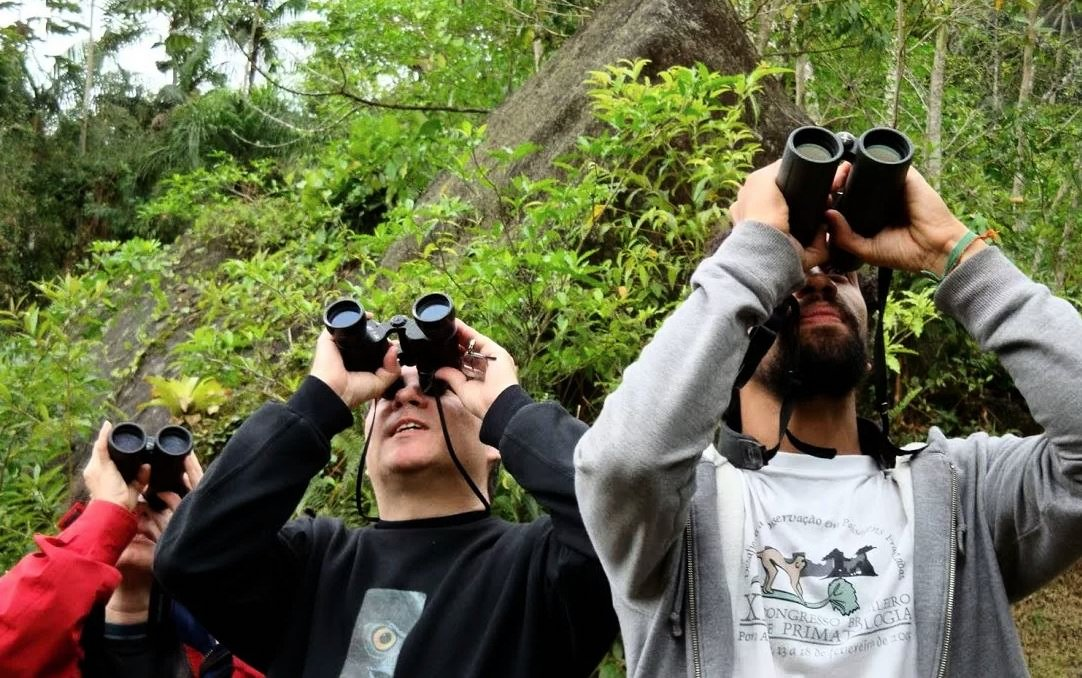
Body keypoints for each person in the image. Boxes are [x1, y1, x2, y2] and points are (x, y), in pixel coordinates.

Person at [573, 159, 1082, 677]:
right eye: (787, 277)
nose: (818, 283)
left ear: (868, 353)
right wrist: (754, 255)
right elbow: (622, 464)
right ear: (726, 345)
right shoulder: (676, 515)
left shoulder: (965, 493)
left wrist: (951, 248)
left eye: (840, 271)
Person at [154, 318, 618, 676]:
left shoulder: (541, 570)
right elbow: (191, 558)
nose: (407, 395)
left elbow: (627, 511)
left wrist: (510, 405)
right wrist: (318, 401)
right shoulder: (312, 568)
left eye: (438, 385)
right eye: (389, 390)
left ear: (494, 440)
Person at [0, 422, 261, 678]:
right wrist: (104, 521)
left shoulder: (215, 640)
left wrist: (210, 555)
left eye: (157, 503)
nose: (138, 511)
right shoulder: (34, 622)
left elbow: (280, 659)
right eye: (124, 500)